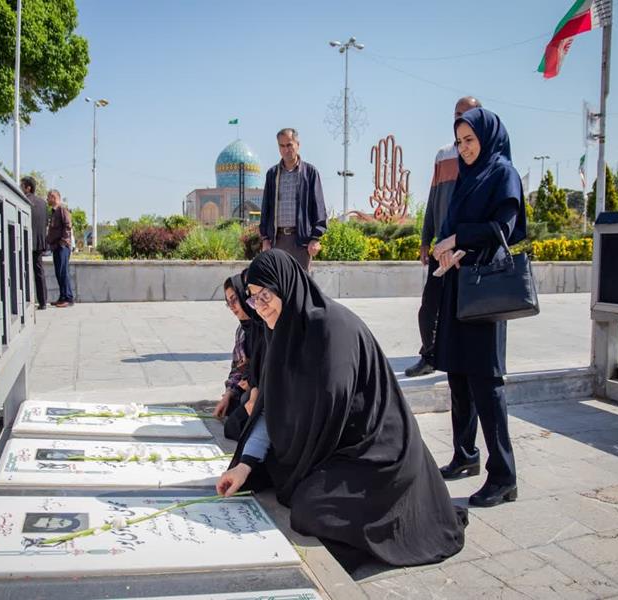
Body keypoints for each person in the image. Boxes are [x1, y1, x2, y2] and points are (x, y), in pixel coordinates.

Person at [216, 249, 467, 571]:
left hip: (376, 453)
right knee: (269, 473)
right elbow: (272, 407)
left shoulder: (329, 328)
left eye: (265, 294)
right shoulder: (280, 331)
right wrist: (245, 464)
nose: (260, 306)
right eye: (253, 298)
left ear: (286, 286)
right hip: (333, 444)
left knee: (310, 508)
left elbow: (329, 411)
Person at [431, 107, 526, 507]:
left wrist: (457, 241)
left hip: (485, 291)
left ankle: (504, 476)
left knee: (487, 384)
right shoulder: (467, 177)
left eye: (470, 140)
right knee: (458, 376)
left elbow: (502, 229)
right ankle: (465, 454)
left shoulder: (502, 173)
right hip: (458, 285)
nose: (464, 148)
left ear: (487, 138)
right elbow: (452, 226)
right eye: (459, 142)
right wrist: (446, 250)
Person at [406, 96, 482, 377]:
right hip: (441, 249)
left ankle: (465, 358)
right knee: (429, 306)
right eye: (457, 114)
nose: (461, 118)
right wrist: (426, 239)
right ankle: (429, 356)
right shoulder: (443, 155)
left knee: (468, 309)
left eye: (467, 113)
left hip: (468, 251)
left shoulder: (483, 156)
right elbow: (434, 198)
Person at [259, 128, 327, 271]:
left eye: (289, 145)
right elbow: (266, 208)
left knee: (300, 282)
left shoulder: (310, 173)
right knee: (278, 282)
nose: (286, 150)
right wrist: (265, 239)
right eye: (282, 146)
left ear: (298, 145)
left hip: (301, 242)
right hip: (277, 241)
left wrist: (315, 238)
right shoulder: (272, 174)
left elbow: (319, 207)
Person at [213, 272, 266, 441]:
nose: (232, 306)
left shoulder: (265, 324)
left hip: (265, 390)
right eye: (228, 302)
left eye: (234, 299)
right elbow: (236, 368)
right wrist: (228, 393)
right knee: (232, 406)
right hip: (251, 388)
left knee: (238, 417)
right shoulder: (243, 330)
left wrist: (253, 381)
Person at [21, 176, 49, 310]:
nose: (20, 188)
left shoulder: (24, 200)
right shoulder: (43, 203)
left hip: (26, 241)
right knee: (39, 272)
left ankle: (25, 301)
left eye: (22, 186)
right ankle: (43, 302)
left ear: (28, 188)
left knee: (23, 271)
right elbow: (46, 223)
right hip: (39, 242)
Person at [46, 189, 74, 307]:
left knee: (63, 272)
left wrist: (63, 242)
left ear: (54, 197)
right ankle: (62, 297)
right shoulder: (53, 212)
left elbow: (68, 226)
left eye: (48, 197)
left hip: (62, 247)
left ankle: (68, 298)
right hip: (56, 246)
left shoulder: (62, 209)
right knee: (59, 273)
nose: (47, 199)